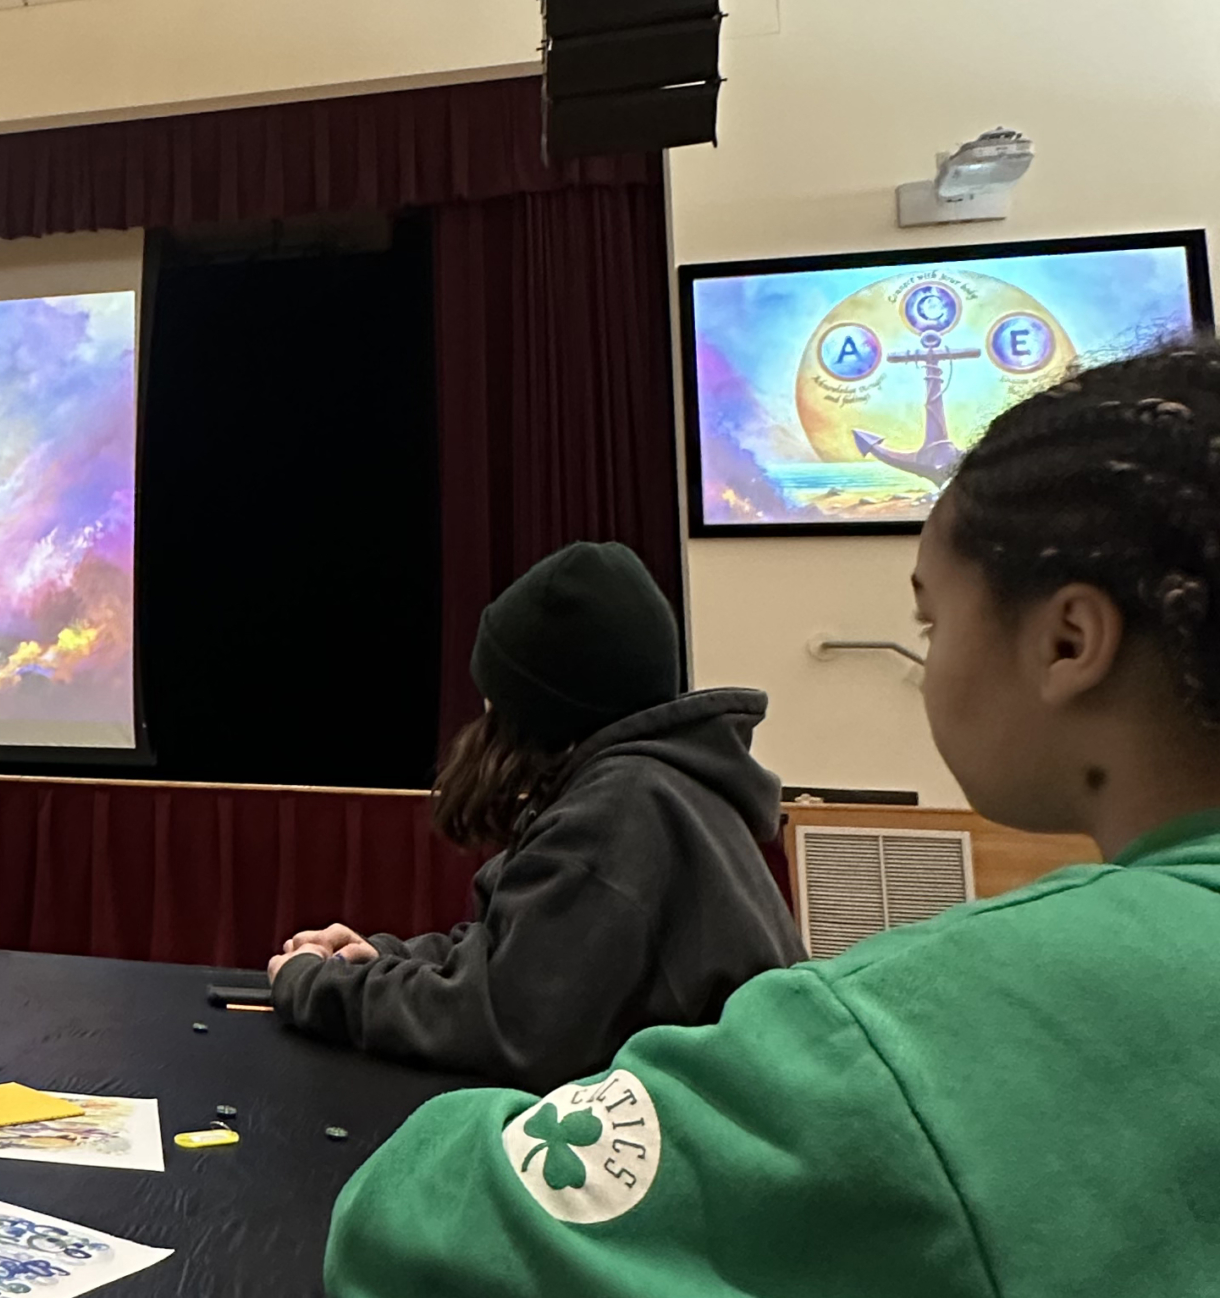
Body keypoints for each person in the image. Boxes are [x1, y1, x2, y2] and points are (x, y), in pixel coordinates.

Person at [321, 342, 1220, 1297]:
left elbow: (418, 1228)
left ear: (1068, 641)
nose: (929, 658)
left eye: (932, 622)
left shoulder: (915, 1039)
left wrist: (337, 997)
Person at [269, 541, 802, 1091]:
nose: (485, 710)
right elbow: (515, 953)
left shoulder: (621, 810)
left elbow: (506, 1027)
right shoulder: (652, 788)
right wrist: (376, 956)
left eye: (496, 692)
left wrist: (316, 988)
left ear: (541, 702)